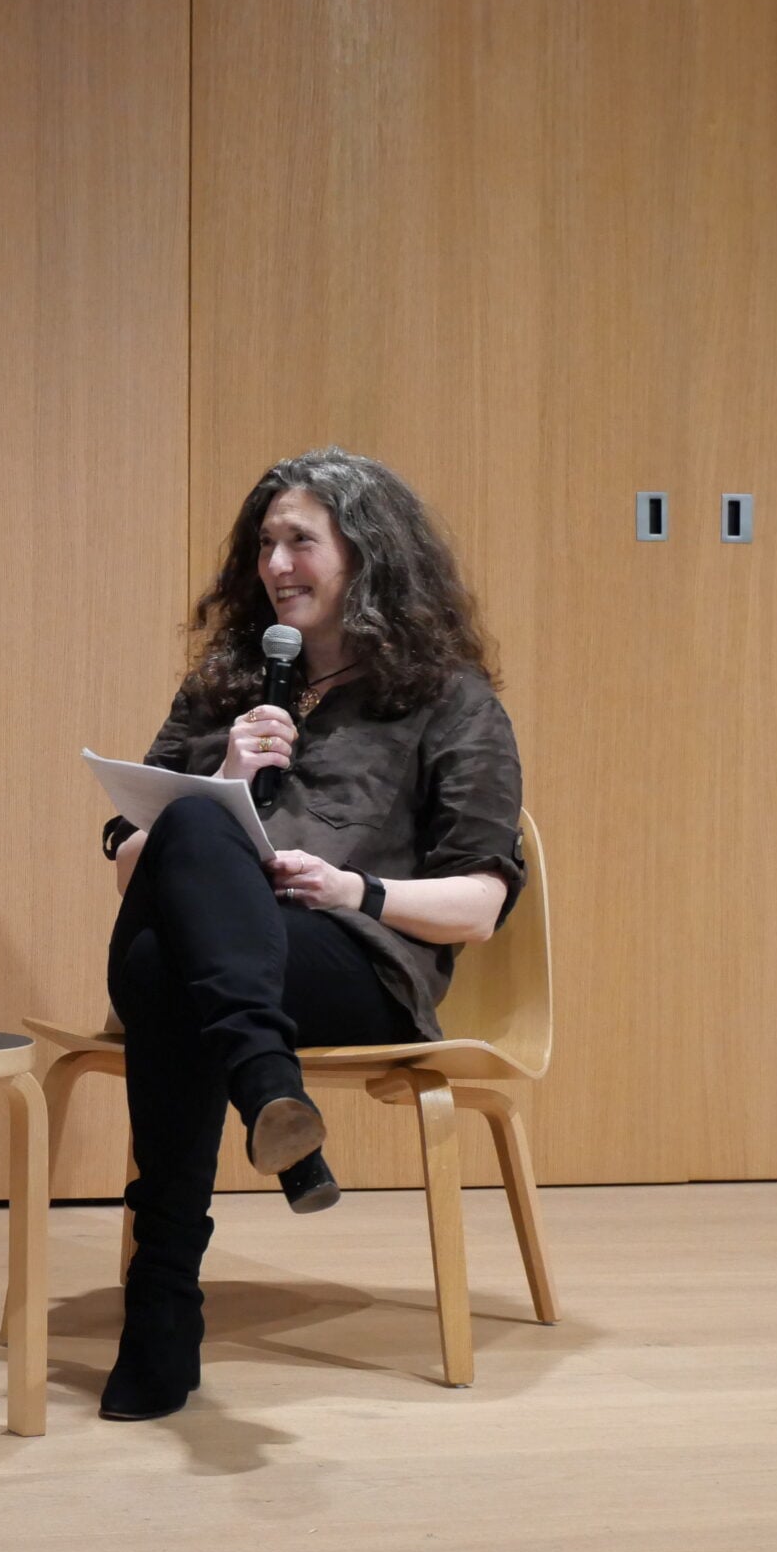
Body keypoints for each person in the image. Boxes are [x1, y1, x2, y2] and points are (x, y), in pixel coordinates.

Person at [95, 448, 523, 1421]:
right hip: (231, 972)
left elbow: (480, 906)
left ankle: (160, 1307)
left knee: (173, 973)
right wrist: (231, 776)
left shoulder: (448, 703)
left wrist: (354, 889)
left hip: (344, 959)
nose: (278, 563)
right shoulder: (222, 690)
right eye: (265, 544)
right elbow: (129, 861)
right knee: (196, 827)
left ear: (367, 556)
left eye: (301, 541)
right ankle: (268, 1089)